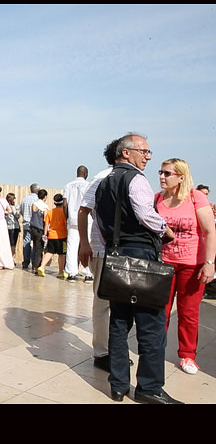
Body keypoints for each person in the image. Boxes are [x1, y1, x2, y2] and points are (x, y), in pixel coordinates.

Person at [94, 132, 181, 404]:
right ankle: (149, 388)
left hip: (116, 255)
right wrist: (165, 231)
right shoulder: (136, 179)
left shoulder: (103, 181)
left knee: (119, 322)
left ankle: (118, 385)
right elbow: (145, 214)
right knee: (152, 325)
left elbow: (97, 220)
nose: (148, 156)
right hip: (142, 255)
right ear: (126, 153)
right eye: (144, 151)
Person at [154, 158, 216, 375]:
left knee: (189, 313)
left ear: (181, 177)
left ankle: (187, 355)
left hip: (192, 265)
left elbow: (210, 232)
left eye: (167, 173)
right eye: (160, 172)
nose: (162, 176)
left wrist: (209, 264)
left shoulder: (195, 197)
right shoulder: (157, 199)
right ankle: (156, 350)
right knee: (160, 311)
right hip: (164, 264)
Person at [78, 138, 120, 373]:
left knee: (118, 304)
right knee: (103, 302)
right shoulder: (103, 178)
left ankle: (114, 349)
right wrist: (84, 243)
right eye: (142, 151)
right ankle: (102, 352)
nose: (147, 156)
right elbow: (84, 210)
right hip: (103, 250)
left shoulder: (128, 178)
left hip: (119, 251)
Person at [63, 166, 93, 283]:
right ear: (85, 174)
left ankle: (71, 274)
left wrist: (67, 219)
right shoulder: (88, 185)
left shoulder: (68, 185)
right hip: (86, 219)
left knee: (72, 246)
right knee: (88, 244)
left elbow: (65, 205)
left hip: (73, 219)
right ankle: (89, 273)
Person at [36, 193, 68, 278]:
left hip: (51, 236)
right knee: (62, 254)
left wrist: (45, 234)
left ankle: (42, 267)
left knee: (49, 252)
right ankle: (61, 272)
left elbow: (46, 224)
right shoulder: (64, 213)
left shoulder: (50, 212)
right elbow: (66, 225)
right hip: (62, 236)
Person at [19, 183, 39, 270]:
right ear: (37, 190)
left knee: (26, 242)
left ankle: (26, 262)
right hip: (35, 224)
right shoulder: (37, 199)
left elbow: (21, 211)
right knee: (35, 243)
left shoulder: (24, 199)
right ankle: (35, 263)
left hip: (26, 223)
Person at [29, 189, 49, 273]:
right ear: (45, 197)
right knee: (39, 248)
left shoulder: (34, 204)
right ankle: (37, 266)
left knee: (34, 247)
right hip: (40, 229)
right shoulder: (45, 207)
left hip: (32, 227)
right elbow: (46, 220)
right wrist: (45, 233)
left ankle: (34, 265)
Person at [5, 193, 21, 259]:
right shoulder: (12, 207)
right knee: (13, 244)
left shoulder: (5, 207)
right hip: (14, 227)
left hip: (7, 226)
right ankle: (12, 258)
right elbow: (17, 216)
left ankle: (7, 257)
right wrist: (20, 213)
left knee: (8, 243)